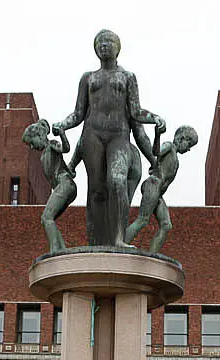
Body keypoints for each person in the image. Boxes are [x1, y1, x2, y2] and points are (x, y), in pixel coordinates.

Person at [54, 29, 165, 247]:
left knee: (116, 181)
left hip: (119, 136)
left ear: (117, 48)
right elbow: (78, 114)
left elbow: (136, 112)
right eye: (100, 43)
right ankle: (96, 241)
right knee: (96, 191)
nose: (104, 45)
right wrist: (62, 124)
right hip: (92, 135)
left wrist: (155, 119)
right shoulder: (88, 78)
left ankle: (118, 239)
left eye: (109, 42)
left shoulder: (127, 77)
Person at [124, 125, 198, 253]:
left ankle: (152, 256)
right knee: (143, 219)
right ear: (181, 139)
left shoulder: (175, 158)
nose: (189, 149)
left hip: (158, 192)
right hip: (153, 184)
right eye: (189, 143)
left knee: (166, 225)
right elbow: (156, 152)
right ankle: (120, 245)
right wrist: (157, 135)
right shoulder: (169, 146)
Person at [22, 119, 77, 253]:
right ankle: (61, 249)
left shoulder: (51, 144)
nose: (31, 147)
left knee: (47, 218)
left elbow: (65, 148)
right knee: (47, 219)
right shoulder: (42, 157)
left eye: (31, 142)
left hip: (65, 184)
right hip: (64, 186)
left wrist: (62, 134)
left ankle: (55, 251)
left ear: (39, 136)